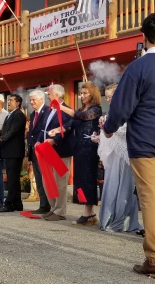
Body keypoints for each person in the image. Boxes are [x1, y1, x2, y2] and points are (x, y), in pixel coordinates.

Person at [103, 13, 155, 279]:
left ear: (143, 36)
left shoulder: (138, 67)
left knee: (151, 199)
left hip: (145, 140)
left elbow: (122, 105)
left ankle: (154, 259)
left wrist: (109, 128)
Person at [94, 84, 143, 233]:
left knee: (125, 186)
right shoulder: (111, 112)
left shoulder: (129, 109)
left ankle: (123, 221)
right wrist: (101, 135)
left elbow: (126, 130)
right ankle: (109, 218)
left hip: (125, 154)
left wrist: (109, 129)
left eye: (111, 97)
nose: (108, 100)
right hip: (114, 156)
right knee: (112, 184)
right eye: (107, 97)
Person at [58, 81, 102, 225]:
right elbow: (70, 124)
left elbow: (82, 117)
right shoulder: (81, 110)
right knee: (81, 180)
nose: (81, 96)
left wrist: (62, 107)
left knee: (88, 179)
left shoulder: (96, 109)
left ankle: (87, 213)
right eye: (81, 93)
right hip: (79, 149)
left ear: (92, 94)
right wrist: (58, 130)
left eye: (85, 93)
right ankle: (89, 213)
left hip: (90, 148)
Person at [41, 84, 73, 221]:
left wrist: (54, 140)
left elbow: (68, 129)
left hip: (61, 151)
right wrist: (38, 141)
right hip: (46, 150)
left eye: (49, 94)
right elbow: (43, 128)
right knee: (48, 181)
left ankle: (60, 211)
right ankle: (53, 208)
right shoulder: (49, 110)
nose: (48, 97)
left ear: (57, 95)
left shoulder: (67, 110)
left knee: (60, 182)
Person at [0, 94, 27, 212]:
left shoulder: (18, 115)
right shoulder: (9, 115)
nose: (8, 102)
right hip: (8, 151)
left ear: (17, 103)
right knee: (13, 179)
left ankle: (9, 204)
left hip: (14, 152)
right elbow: (6, 130)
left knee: (12, 179)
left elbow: (12, 132)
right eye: (8, 100)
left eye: (11, 100)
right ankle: (17, 203)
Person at [27, 89, 51, 215]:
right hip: (33, 150)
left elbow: (45, 130)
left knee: (46, 178)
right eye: (30, 100)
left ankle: (49, 204)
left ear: (42, 99)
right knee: (38, 178)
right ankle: (43, 204)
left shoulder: (47, 111)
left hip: (43, 149)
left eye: (33, 99)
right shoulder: (32, 114)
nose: (31, 102)